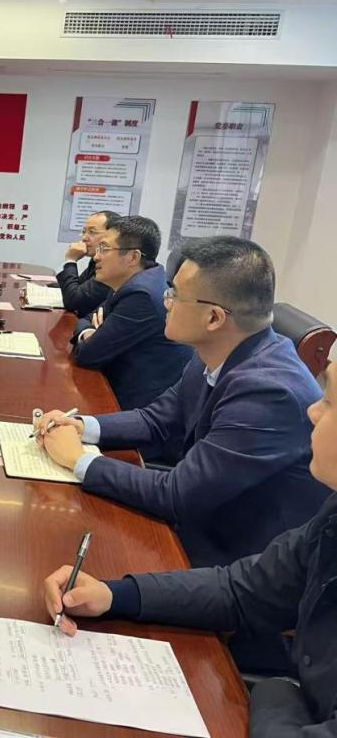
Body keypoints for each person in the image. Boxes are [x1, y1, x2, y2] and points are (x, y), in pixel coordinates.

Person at [42, 359, 337, 738]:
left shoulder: (272, 390)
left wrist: (278, 691)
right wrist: (114, 595)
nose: (312, 411)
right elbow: (241, 590)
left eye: (329, 401)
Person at [36, 236, 328, 569]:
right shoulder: (216, 351)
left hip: (233, 560)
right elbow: (157, 419)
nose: (166, 303)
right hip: (202, 522)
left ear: (214, 318)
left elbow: (177, 495)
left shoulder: (268, 393)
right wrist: (81, 426)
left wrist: (78, 459)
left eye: (174, 295)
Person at [70, 215, 192, 410]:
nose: (96, 257)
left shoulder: (141, 294)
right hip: (120, 387)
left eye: (104, 249)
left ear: (133, 257)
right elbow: (86, 318)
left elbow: (88, 355)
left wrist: (95, 336)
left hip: (140, 408)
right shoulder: (132, 280)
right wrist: (89, 332)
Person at [56, 210, 116, 317]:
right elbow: (78, 286)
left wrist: (71, 260)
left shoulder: (112, 267)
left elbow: (73, 301)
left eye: (92, 232)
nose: (84, 238)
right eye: (84, 232)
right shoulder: (96, 259)